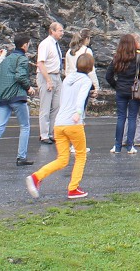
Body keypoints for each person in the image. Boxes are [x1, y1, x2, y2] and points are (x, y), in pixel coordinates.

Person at [25, 52, 95, 200]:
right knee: (81, 154)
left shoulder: (68, 78)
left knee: (62, 159)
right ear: (90, 67)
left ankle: (36, 177)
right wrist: (78, 113)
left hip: (59, 122)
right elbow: (82, 98)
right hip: (73, 123)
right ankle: (73, 188)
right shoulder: (86, 81)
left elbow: (63, 99)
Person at [0, 34, 36, 168]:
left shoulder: (5, 60)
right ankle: (21, 157)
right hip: (17, 96)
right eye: (28, 44)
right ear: (24, 45)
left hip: (3, 97)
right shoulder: (21, 58)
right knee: (25, 126)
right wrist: (29, 88)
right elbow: (20, 76)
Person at [105, 34, 140, 153]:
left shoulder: (117, 57)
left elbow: (108, 76)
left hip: (121, 90)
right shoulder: (139, 57)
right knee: (132, 117)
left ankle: (117, 146)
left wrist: (116, 85)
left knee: (121, 117)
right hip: (134, 91)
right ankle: (130, 146)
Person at [36, 21, 65, 145]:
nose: (62, 33)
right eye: (60, 30)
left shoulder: (56, 44)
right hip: (47, 76)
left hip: (57, 76)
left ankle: (52, 132)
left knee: (57, 106)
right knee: (45, 107)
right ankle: (44, 134)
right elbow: (40, 63)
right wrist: (48, 80)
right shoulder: (45, 44)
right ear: (52, 31)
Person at [64, 28, 99, 109]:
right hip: (83, 82)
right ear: (86, 39)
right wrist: (96, 87)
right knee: (81, 106)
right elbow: (91, 71)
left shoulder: (70, 51)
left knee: (71, 107)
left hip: (71, 83)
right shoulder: (87, 51)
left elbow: (67, 71)